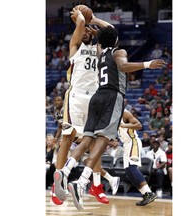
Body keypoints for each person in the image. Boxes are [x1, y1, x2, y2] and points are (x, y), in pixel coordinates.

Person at [55, 25, 167, 211]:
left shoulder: (100, 54)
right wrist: (148, 64)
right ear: (115, 40)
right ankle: (81, 182)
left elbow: (106, 34)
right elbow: (123, 66)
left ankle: (64, 171)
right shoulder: (118, 51)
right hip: (112, 97)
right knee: (101, 142)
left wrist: (90, 21)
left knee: (86, 140)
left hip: (96, 97)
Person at [52, 6, 119, 205]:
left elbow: (112, 33)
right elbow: (81, 23)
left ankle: (95, 184)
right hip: (75, 97)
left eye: (91, 30)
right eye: (86, 30)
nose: (89, 30)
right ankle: (58, 185)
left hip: (94, 99)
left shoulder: (99, 49)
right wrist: (80, 15)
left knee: (94, 141)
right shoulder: (75, 46)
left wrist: (95, 19)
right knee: (67, 138)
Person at [118, 109, 158, 206]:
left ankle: (149, 193)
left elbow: (139, 126)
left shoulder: (125, 113)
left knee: (132, 168)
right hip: (126, 144)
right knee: (128, 171)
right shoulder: (113, 115)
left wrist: (124, 125)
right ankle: (145, 194)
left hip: (133, 142)